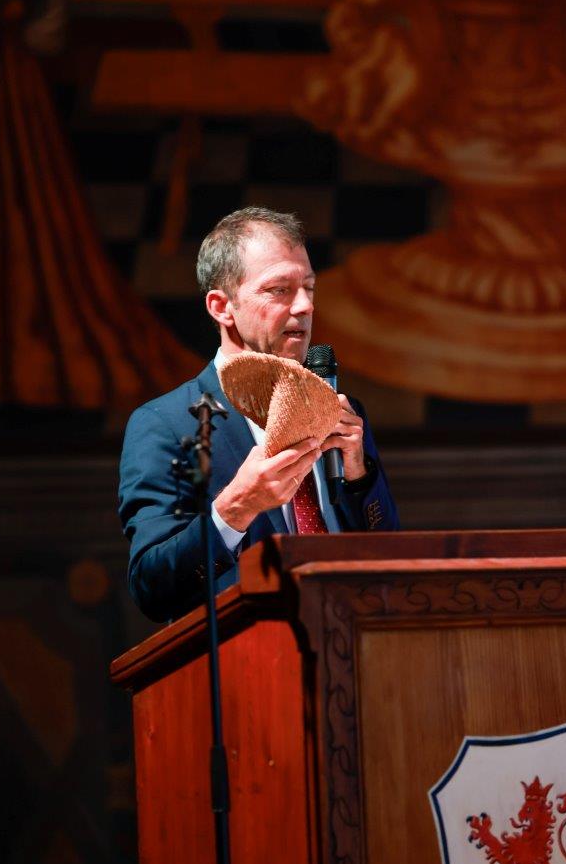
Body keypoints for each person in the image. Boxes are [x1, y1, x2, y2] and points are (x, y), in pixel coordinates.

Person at [118, 207, 400, 621]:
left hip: (355, 640)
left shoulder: (342, 410)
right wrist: (235, 510)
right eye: (279, 290)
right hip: (250, 652)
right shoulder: (167, 424)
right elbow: (152, 587)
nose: (305, 306)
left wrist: (359, 477)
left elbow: (389, 555)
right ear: (222, 306)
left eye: (308, 287)